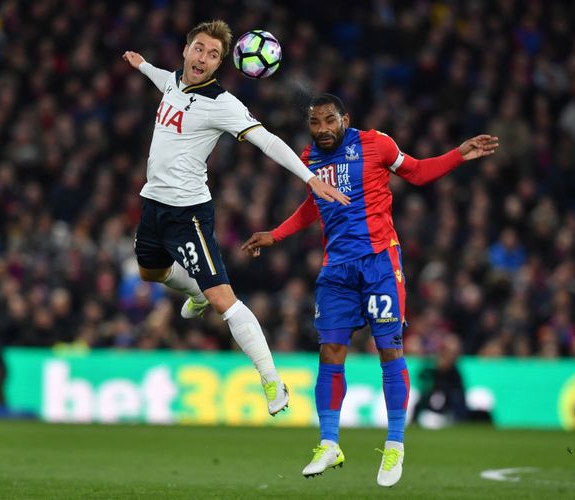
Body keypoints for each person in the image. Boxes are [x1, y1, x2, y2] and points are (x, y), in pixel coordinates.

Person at [242, 94, 498, 486]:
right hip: (336, 270)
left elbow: (417, 172)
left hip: (379, 262)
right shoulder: (310, 156)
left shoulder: (377, 143)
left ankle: (395, 444)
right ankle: (329, 443)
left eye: (329, 120)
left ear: (345, 118)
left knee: (389, 348)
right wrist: (276, 234)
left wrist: (458, 155)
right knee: (329, 350)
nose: (323, 129)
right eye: (315, 123)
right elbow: (315, 203)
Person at [122, 21, 349, 417]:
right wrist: (142, 66)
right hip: (153, 204)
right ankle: (194, 292)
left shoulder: (222, 103)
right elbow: (164, 81)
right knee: (150, 273)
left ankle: (271, 379)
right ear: (186, 49)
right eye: (199, 49)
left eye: (213, 55)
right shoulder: (175, 79)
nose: (203, 58)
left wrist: (310, 178)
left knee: (222, 298)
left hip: (188, 213)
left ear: (220, 64)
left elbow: (268, 141)